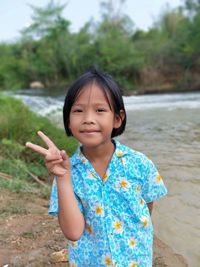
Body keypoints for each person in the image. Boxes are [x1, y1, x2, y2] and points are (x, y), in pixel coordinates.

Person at [26, 67, 167, 267]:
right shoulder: (66, 172)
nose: (88, 119)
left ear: (118, 118)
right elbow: (73, 232)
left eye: (100, 110)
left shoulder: (140, 164)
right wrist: (63, 177)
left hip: (137, 261)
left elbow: (146, 208)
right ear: (68, 119)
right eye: (78, 110)